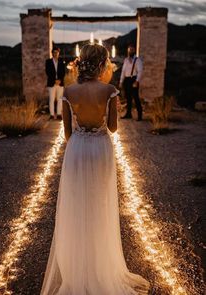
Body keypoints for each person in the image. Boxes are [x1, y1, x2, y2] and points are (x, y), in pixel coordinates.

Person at [40, 44, 150, 295]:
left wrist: (81, 136)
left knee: (77, 204)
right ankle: (101, 266)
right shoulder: (110, 91)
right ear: (102, 64)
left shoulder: (69, 91)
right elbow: (113, 128)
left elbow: (67, 133)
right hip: (100, 149)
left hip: (77, 150)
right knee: (100, 204)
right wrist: (113, 113)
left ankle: (78, 268)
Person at [119, 43, 143, 121]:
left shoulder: (137, 60)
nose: (130, 51)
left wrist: (137, 81)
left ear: (134, 50)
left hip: (134, 80)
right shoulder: (126, 60)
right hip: (127, 80)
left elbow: (140, 71)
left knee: (136, 98)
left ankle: (140, 115)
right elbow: (123, 71)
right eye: (129, 49)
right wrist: (121, 81)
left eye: (132, 49)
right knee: (128, 98)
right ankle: (128, 114)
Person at [45, 47, 66, 120]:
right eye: (54, 52)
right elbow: (47, 72)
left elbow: (63, 72)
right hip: (51, 83)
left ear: (58, 53)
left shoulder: (61, 61)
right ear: (52, 53)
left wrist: (59, 80)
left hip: (60, 83)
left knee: (60, 99)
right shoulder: (48, 61)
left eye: (56, 52)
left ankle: (59, 114)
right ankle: (51, 115)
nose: (55, 53)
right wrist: (54, 80)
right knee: (51, 99)